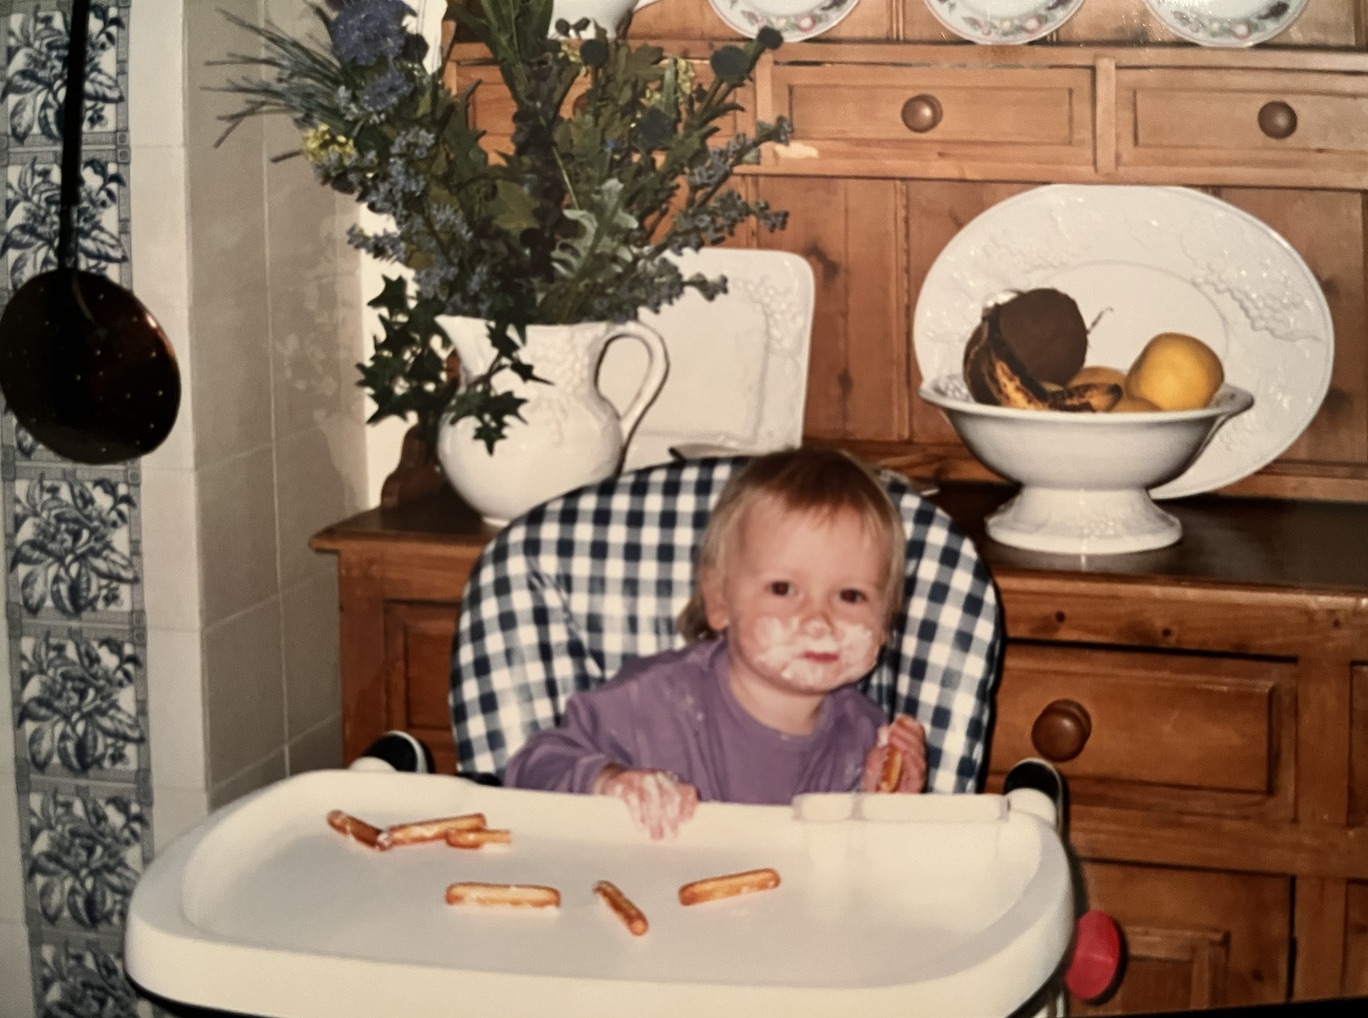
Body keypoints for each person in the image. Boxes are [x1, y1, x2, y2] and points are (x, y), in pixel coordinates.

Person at [503, 448, 928, 839]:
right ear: (719, 599)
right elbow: (530, 769)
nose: (819, 620)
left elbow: (851, 875)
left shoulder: (864, 736)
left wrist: (881, 808)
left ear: (886, 619)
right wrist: (608, 781)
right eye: (783, 588)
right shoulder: (648, 703)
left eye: (850, 596)